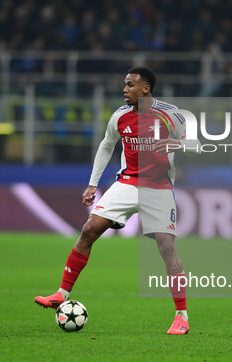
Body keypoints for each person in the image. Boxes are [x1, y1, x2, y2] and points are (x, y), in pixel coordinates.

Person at [34, 67, 198, 335]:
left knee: (167, 247)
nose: (125, 89)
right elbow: (107, 145)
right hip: (127, 183)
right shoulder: (120, 117)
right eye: (124, 84)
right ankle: (61, 294)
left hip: (157, 187)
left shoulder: (171, 115)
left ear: (146, 89)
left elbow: (195, 145)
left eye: (130, 84)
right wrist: (92, 184)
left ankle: (181, 316)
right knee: (88, 230)